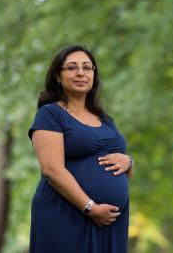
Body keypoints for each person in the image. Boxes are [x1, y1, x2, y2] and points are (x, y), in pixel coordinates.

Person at [28, 45, 133, 253]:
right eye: (72, 67)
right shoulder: (50, 114)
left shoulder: (105, 119)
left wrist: (129, 162)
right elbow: (51, 170)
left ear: (94, 75)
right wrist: (90, 207)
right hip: (66, 213)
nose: (80, 73)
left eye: (87, 67)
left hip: (109, 221)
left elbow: (118, 166)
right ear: (58, 76)